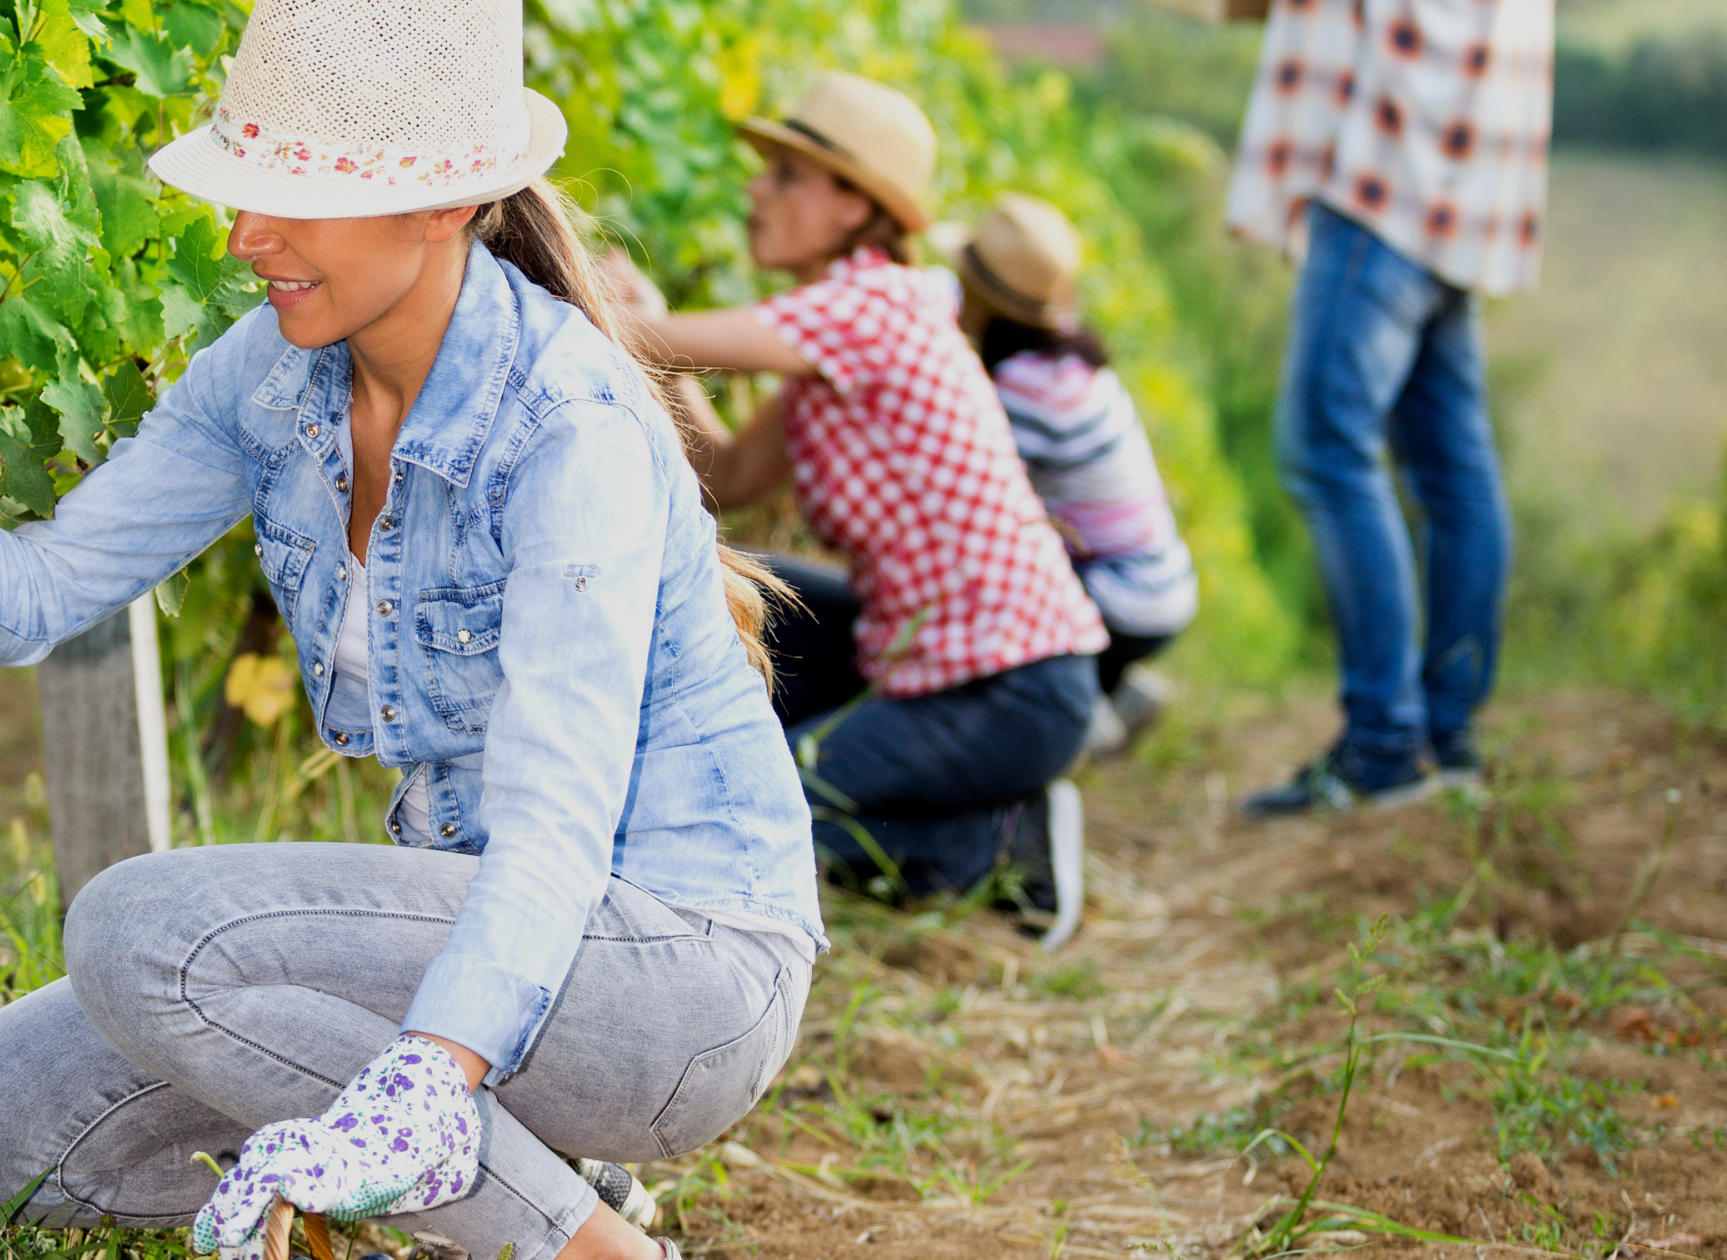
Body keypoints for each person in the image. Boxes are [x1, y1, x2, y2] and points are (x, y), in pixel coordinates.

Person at [0, 4, 826, 1259]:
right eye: (247, 189)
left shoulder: (566, 429)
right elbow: (34, 597)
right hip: (492, 931)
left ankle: (578, 1239)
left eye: (299, 197)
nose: (247, 236)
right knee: (2, 1119)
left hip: (675, 972)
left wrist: (432, 1066)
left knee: (141, 933)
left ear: (445, 203)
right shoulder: (268, 373)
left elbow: (554, 823)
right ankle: (522, 1165)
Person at [606, 73, 1106, 948]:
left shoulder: (874, 304)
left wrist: (594, 298)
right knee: (741, 592)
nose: (756, 191)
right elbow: (727, 471)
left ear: (855, 207)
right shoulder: (838, 333)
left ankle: (995, 843)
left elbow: (647, 340)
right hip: (954, 666)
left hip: (1010, 690)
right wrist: (654, 333)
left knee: (751, 814)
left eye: (788, 176)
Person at [1226, 0, 1551, 814]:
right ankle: (1446, 735)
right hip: (1462, 185)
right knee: (1454, 470)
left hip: (1385, 181)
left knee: (1326, 451)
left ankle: (1384, 745)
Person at [931, 195, 1199, 755]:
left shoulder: (1030, 389)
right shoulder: (1059, 359)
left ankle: (1082, 717)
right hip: (1157, 587)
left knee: (980, 572)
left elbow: (970, 498)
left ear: (983, 300)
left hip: (1124, 599)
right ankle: (1112, 687)